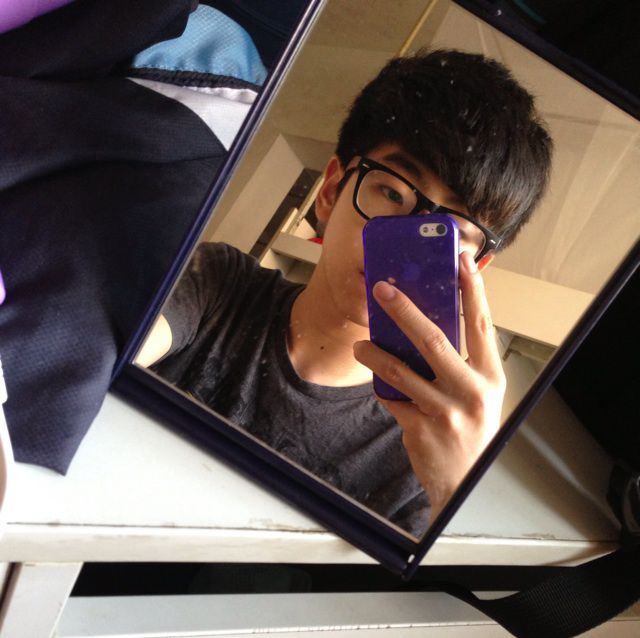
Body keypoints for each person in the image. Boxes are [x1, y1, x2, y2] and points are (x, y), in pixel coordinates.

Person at [137, 49, 553, 537]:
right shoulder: (217, 284)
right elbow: (107, 345)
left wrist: (454, 491)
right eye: (392, 193)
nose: (406, 249)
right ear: (332, 191)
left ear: (474, 268)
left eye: (449, 234)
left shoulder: (429, 443)